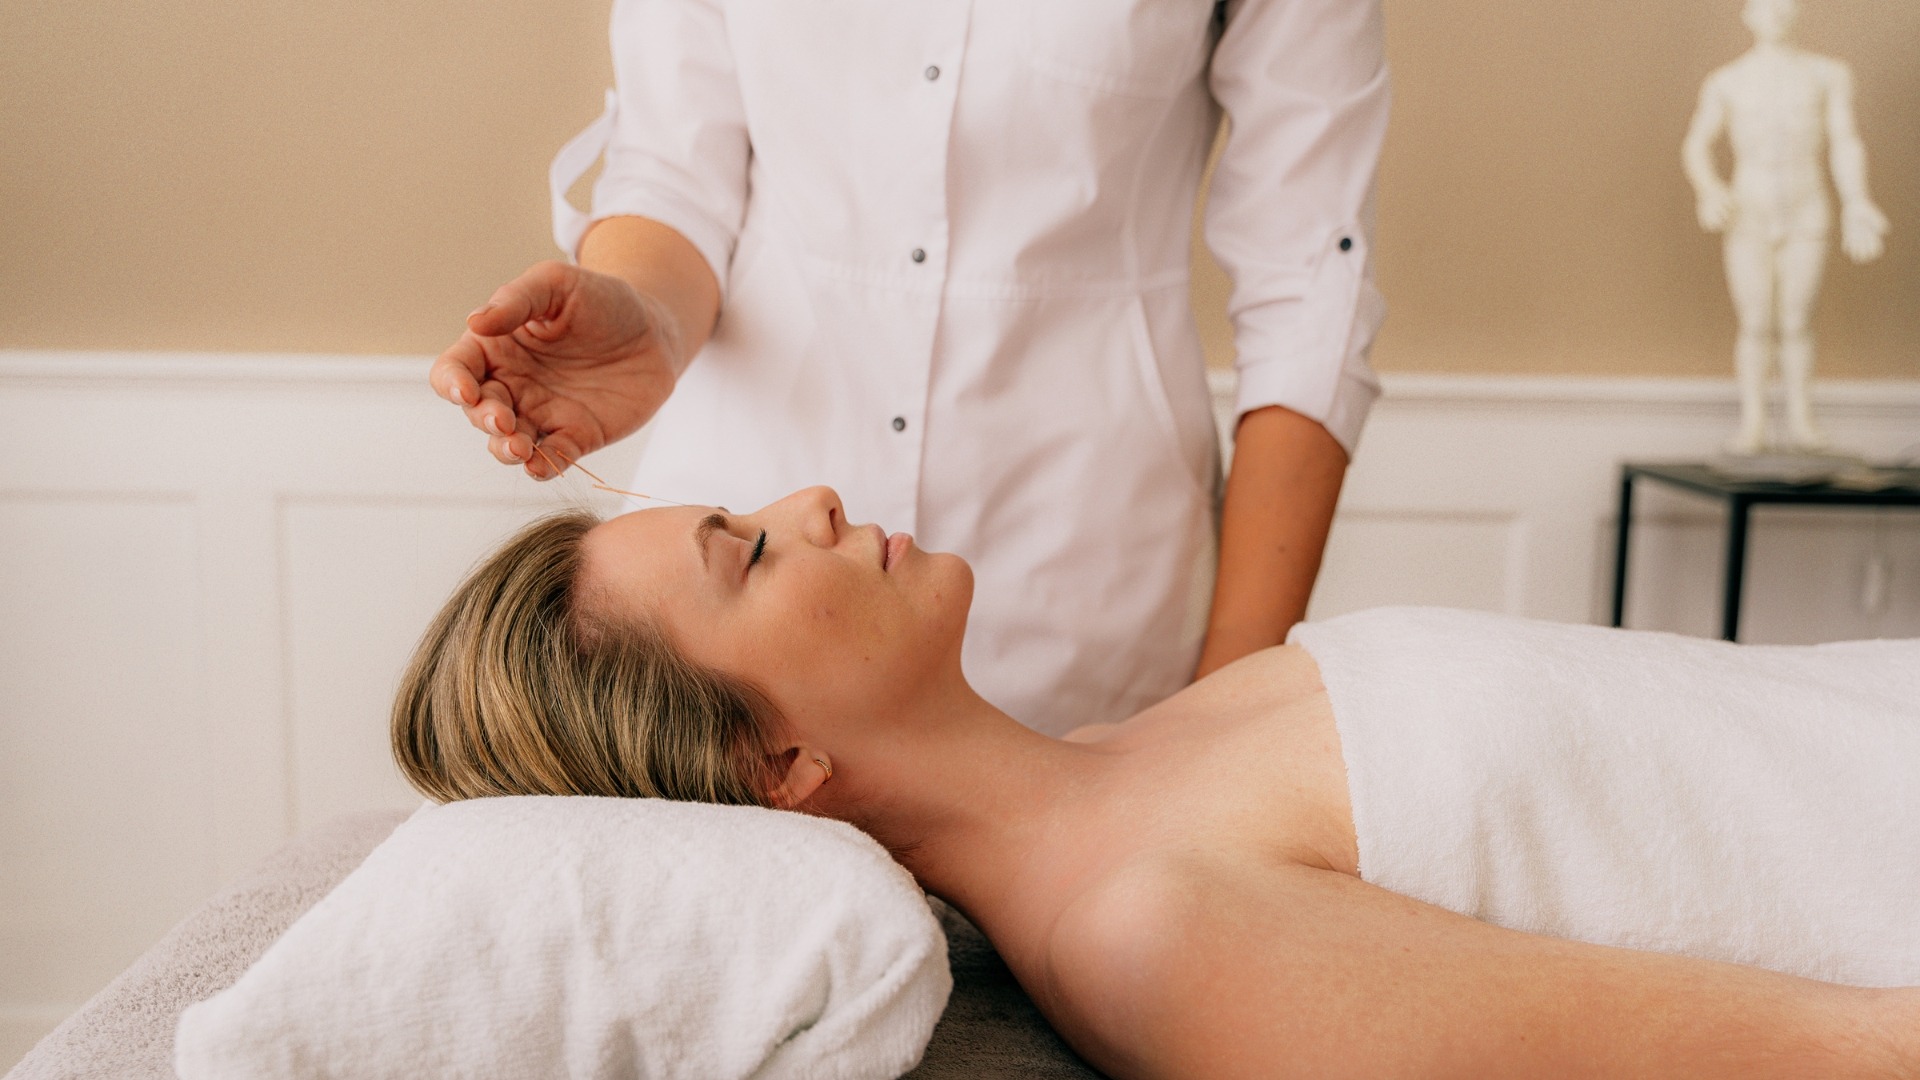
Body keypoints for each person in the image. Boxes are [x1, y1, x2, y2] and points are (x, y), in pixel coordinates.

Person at [393, 488, 1920, 1079]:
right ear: (778, 764)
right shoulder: (1156, 937)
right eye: (753, 553)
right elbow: (1808, 1052)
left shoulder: (1146, 748)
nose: (816, 501)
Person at [426, 0, 1391, 735]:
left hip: (1083, 587)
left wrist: (1224, 717)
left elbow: (1311, 283)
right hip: (733, 602)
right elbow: (676, 167)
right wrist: (647, 319)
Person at [1682, 0, 1889, 455]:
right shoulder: (1728, 81)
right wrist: (1710, 189)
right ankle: (1753, 423)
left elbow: (1844, 140)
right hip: (1749, 208)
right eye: (1764, 4)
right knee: (1755, 320)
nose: (1775, 11)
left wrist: (1856, 200)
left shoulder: (1827, 74)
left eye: (1784, 3)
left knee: (1797, 319)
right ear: (1747, 14)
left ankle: (1801, 420)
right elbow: (1697, 143)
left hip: (1806, 205)